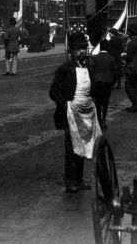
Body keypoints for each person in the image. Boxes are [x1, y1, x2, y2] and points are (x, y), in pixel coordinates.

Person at [48, 32, 101, 193]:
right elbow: (54, 91)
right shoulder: (65, 69)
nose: (82, 52)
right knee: (72, 149)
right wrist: (65, 105)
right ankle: (70, 181)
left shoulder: (88, 66)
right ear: (71, 51)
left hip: (87, 112)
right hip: (71, 113)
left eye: (84, 49)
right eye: (78, 49)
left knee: (83, 147)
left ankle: (78, 179)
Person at [91, 39, 118, 128]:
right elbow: (114, 72)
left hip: (97, 82)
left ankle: (98, 119)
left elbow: (91, 71)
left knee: (98, 102)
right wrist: (113, 83)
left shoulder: (95, 58)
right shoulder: (111, 58)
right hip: (107, 82)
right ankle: (104, 120)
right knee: (105, 102)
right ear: (108, 47)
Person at [122, 26, 137, 111]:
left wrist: (123, 56)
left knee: (129, 86)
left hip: (132, 68)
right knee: (136, 86)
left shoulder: (132, 43)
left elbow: (129, 56)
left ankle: (135, 104)